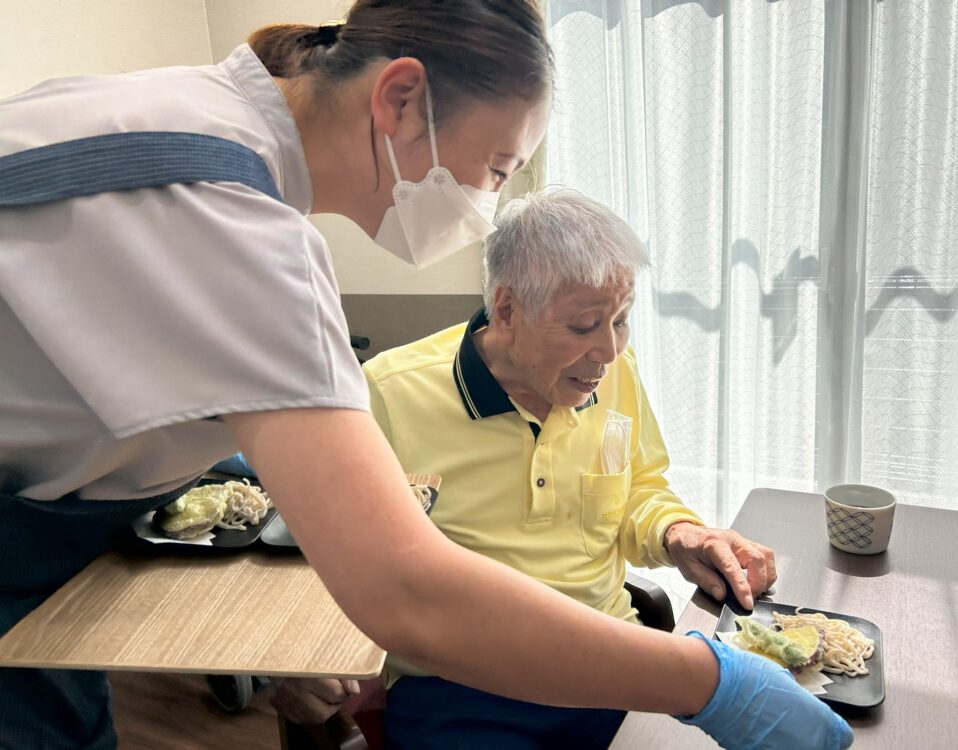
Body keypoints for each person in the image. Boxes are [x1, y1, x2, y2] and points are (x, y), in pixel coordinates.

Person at [0, 3, 852, 749]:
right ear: (401, 100)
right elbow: (404, 591)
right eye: (494, 169)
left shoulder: (158, 114)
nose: (486, 203)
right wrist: (712, 684)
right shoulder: (243, 230)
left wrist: (677, 536)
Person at [270, 189, 850, 747]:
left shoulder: (613, 374)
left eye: (620, 320)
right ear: (506, 310)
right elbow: (328, 552)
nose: (609, 350)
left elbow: (639, 491)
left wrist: (681, 534)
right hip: (459, 685)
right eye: (584, 325)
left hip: (614, 658)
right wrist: (294, 656)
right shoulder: (389, 395)